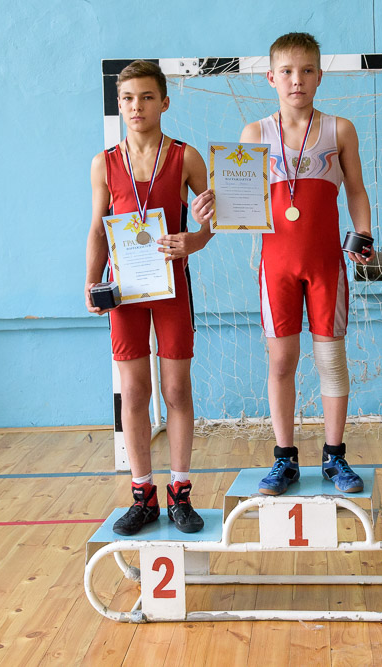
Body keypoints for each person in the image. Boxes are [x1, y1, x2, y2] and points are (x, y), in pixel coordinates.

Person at [192, 32, 374, 495]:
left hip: (326, 264)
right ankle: (284, 457)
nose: (297, 80)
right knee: (282, 361)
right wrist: (211, 204)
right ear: (271, 78)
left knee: (331, 359)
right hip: (276, 267)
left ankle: (334, 456)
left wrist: (364, 231)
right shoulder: (255, 134)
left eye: (307, 70)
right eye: (287, 72)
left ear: (319, 76)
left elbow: (356, 189)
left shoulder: (340, 129)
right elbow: (236, 200)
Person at [86, 60, 214, 535]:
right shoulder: (104, 163)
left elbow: (213, 218)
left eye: (145, 97)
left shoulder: (186, 156)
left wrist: (194, 239)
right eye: (127, 98)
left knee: (176, 390)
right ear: (118, 105)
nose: (136, 106)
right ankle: (143, 496)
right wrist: (90, 281)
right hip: (125, 293)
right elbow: (97, 228)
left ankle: (181, 492)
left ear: (164, 102)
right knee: (135, 392)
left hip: (172, 288)